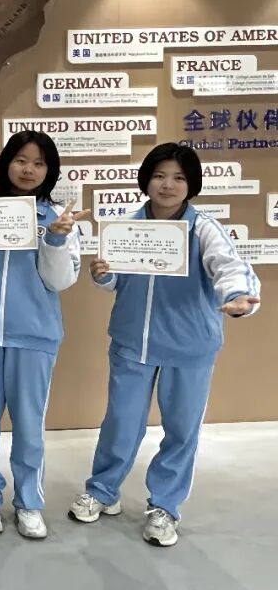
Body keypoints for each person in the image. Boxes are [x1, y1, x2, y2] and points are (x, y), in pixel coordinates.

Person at [69, 142, 260, 547]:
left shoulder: (204, 228)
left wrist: (237, 296)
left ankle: (165, 506)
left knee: (180, 430)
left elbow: (228, 266)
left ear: (191, 185)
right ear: (146, 180)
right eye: (159, 176)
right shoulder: (127, 227)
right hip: (132, 343)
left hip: (189, 347)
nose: (167, 185)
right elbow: (115, 279)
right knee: (120, 423)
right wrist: (102, 274)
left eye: (178, 178)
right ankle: (102, 491)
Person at [0, 130, 82, 539]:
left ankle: (29, 502)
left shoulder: (56, 219)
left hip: (35, 335)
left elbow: (60, 281)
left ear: (49, 171)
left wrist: (55, 239)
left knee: (29, 425)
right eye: (21, 160)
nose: (28, 169)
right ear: (6, 163)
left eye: (39, 163)